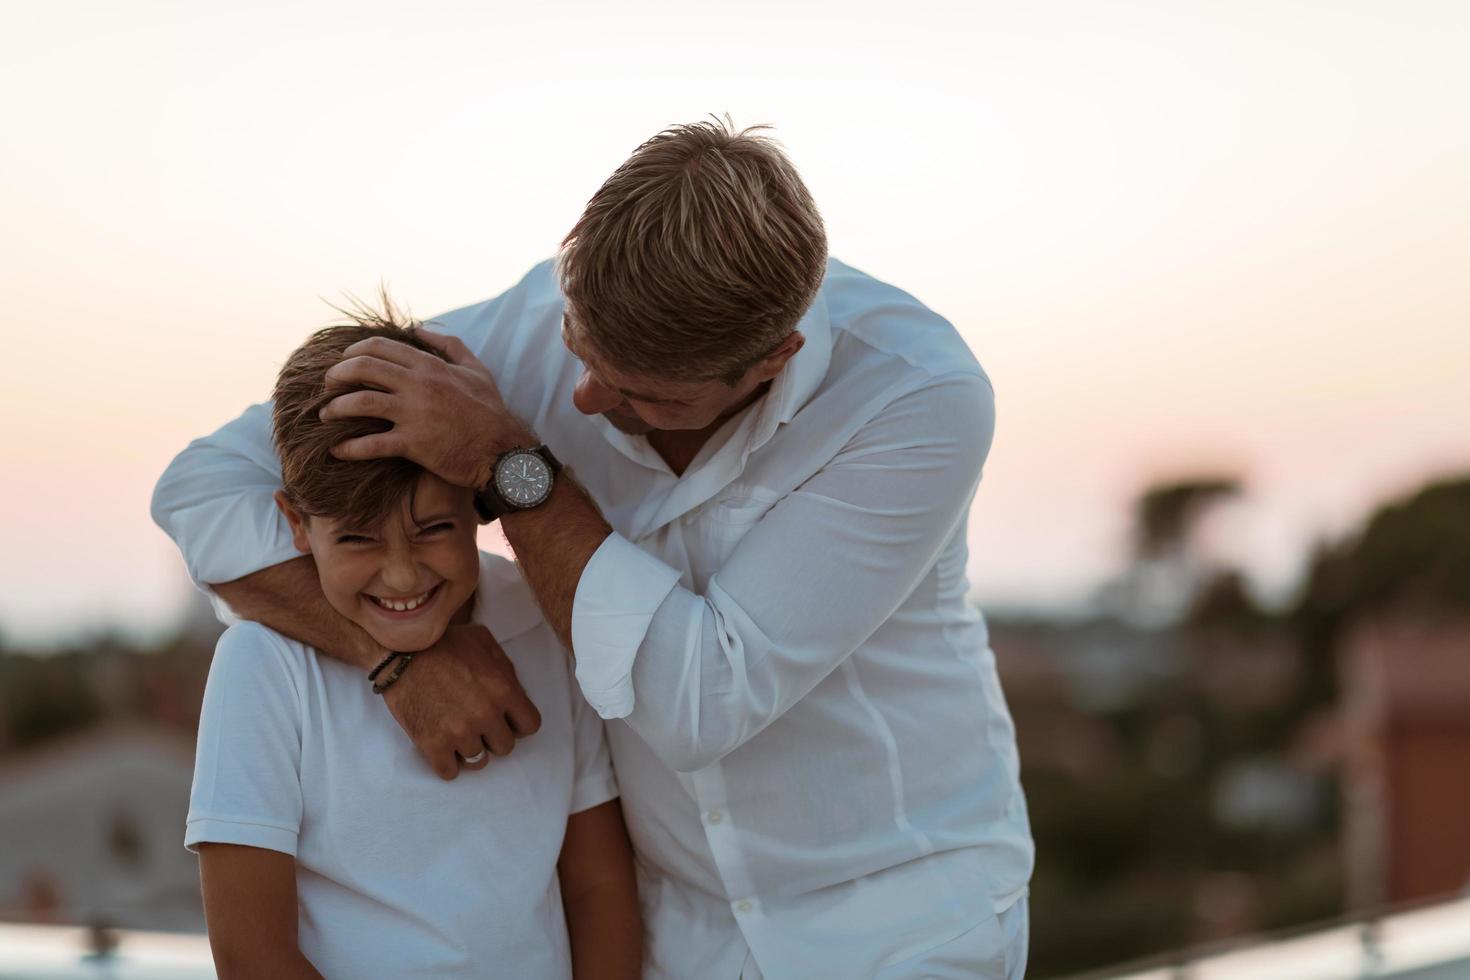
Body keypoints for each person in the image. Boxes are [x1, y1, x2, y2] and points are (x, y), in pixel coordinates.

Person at [155, 118, 1034, 978]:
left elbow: (698, 701)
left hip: (900, 918)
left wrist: (509, 465)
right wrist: (395, 659)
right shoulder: (537, 322)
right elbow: (203, 487)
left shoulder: (918, 399)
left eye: (639, 393)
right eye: (579, 349)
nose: (579, 397)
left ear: (772, 360)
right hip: (673, 932)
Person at [184, 310, 641, 979]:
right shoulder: (262, 665)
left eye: (431, 529)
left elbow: (598, 887)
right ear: (296, 523)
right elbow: (253, 956)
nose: (401, 576)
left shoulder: (544, 622)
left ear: (480, 501)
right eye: (358, 540)